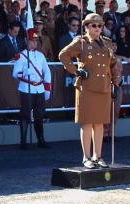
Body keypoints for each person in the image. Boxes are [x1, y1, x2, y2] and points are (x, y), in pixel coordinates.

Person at [59, 13, 121, 169]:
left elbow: (114, 63)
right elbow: (63, 55)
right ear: (86, 27)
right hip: (87, 87)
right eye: (94, 25)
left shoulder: (107, 43)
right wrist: (76, 71)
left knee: (100, 124)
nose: (97, 28)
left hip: (103, 87)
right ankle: (86, 157)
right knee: (87, 124)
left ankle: (98, 156)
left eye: (100, 25)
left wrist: (115, 82)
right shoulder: (81, 42)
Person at [12, 35, 52, 149]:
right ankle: (23, 142)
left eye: (35, 41)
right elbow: (15, 73)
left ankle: (41, 140)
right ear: (26, 41)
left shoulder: (40, 55)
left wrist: (47, 88)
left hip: (39, 88)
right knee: (25, 115)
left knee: (39, 115)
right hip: (26, 88)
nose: (34, 43)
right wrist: (25, 72)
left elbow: (47, 71)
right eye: (31, 41)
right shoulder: (21, 56)